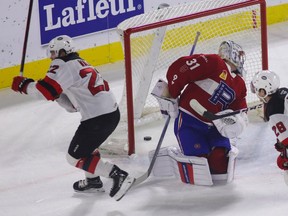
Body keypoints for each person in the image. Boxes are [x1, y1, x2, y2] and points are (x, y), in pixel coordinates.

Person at [11, 35, 134, 200]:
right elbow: (71, 106)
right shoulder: (79, 63)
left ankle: (117, 175)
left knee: (74, 157)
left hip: (97, 119)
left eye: (54, 53)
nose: (52, 57)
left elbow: (43, 92)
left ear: (63, 52)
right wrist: (55, 94)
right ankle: (93, 181)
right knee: (88, 147)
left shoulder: (62, 64)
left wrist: (24, 85)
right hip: (111, 114)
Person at [153, 40, 248, 179]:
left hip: (216, 127)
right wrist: (173, 93)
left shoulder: (240, 83)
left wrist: (238, 122)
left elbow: (241, 110)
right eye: (238, 55)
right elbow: (180, 67)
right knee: (199, 163)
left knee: (220, 162)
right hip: (189, 122)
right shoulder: (215, 62)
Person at [251, 70, 288, 171]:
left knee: (282, 163)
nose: (256, 93)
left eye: (257, 90)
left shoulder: (274, 112)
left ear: (263, 91)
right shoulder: (283, 91)